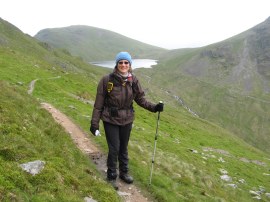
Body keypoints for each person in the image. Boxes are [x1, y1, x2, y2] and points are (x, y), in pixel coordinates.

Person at [90, 51, 164, 190]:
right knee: (114, 149)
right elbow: (98, 104)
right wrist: (94, 124)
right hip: (110, 119)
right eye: (121, 62)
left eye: (126, 62)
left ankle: (124, 173)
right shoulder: (107, 80)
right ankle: (112, 175)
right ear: (116, 64)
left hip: (127, 119)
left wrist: (155, 107)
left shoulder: (133, 81)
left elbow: (141, 99)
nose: (123, 65)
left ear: (130, 65)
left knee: (123, 148)